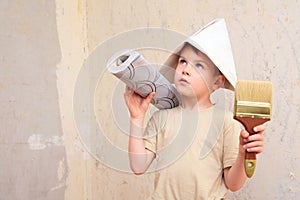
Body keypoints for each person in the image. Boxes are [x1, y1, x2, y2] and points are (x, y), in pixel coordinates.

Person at [123, 19, 265, 199]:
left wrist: (245, 154)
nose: (185, 70)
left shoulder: (227, 122)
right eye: (183, 61)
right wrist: (136, 119)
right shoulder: (161, 118)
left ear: (217, 82)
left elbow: (233, 184)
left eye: (199, 65)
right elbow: (138, 166)